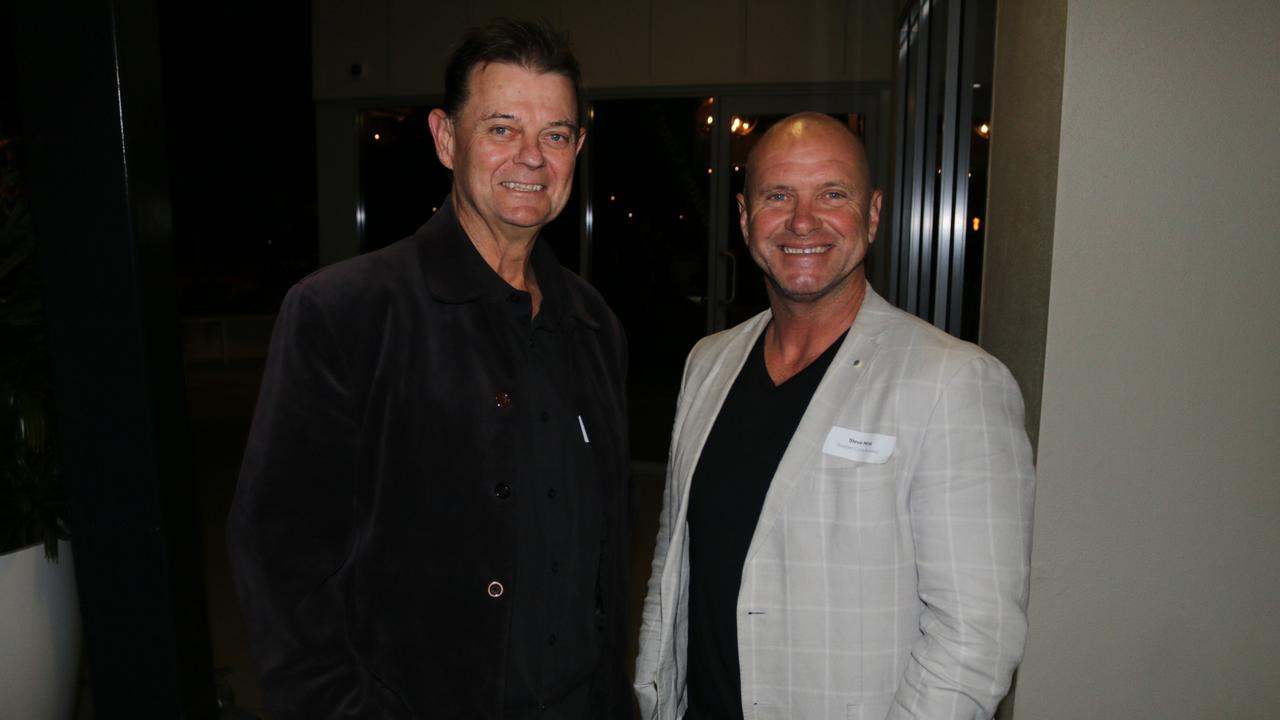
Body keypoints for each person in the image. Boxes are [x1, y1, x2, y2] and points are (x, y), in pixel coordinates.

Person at [227, 19, 632, 719]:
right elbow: (280, 563)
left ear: (578, 150)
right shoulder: (347, 314)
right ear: (447, 139)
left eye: (556, 135)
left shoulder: (595, 326)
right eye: (502, 128)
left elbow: (606, 550)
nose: (531, 158)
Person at [634, 113, 1035, 720]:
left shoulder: (953, 381)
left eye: (832, 194)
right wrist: (653, 692)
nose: (802, 220)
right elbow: (673, 552)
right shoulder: (708, 363)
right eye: (778, 196)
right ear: (745, 219)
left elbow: (974, 637)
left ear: (872, 215)